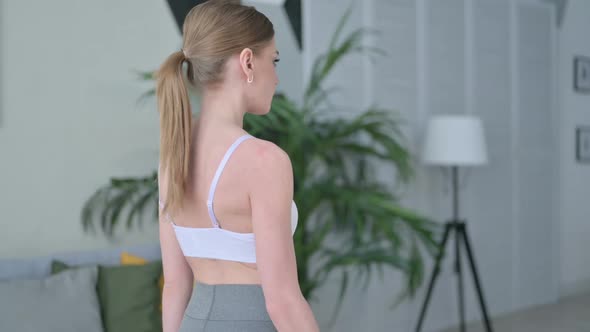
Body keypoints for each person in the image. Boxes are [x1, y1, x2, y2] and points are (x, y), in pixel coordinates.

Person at [156, 2, 320, 331]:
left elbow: (175, 287)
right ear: (247, 62)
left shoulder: (173, 153)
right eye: (273, 61)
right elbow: (283, 300)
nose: (275, 79)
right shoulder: (263, 160)